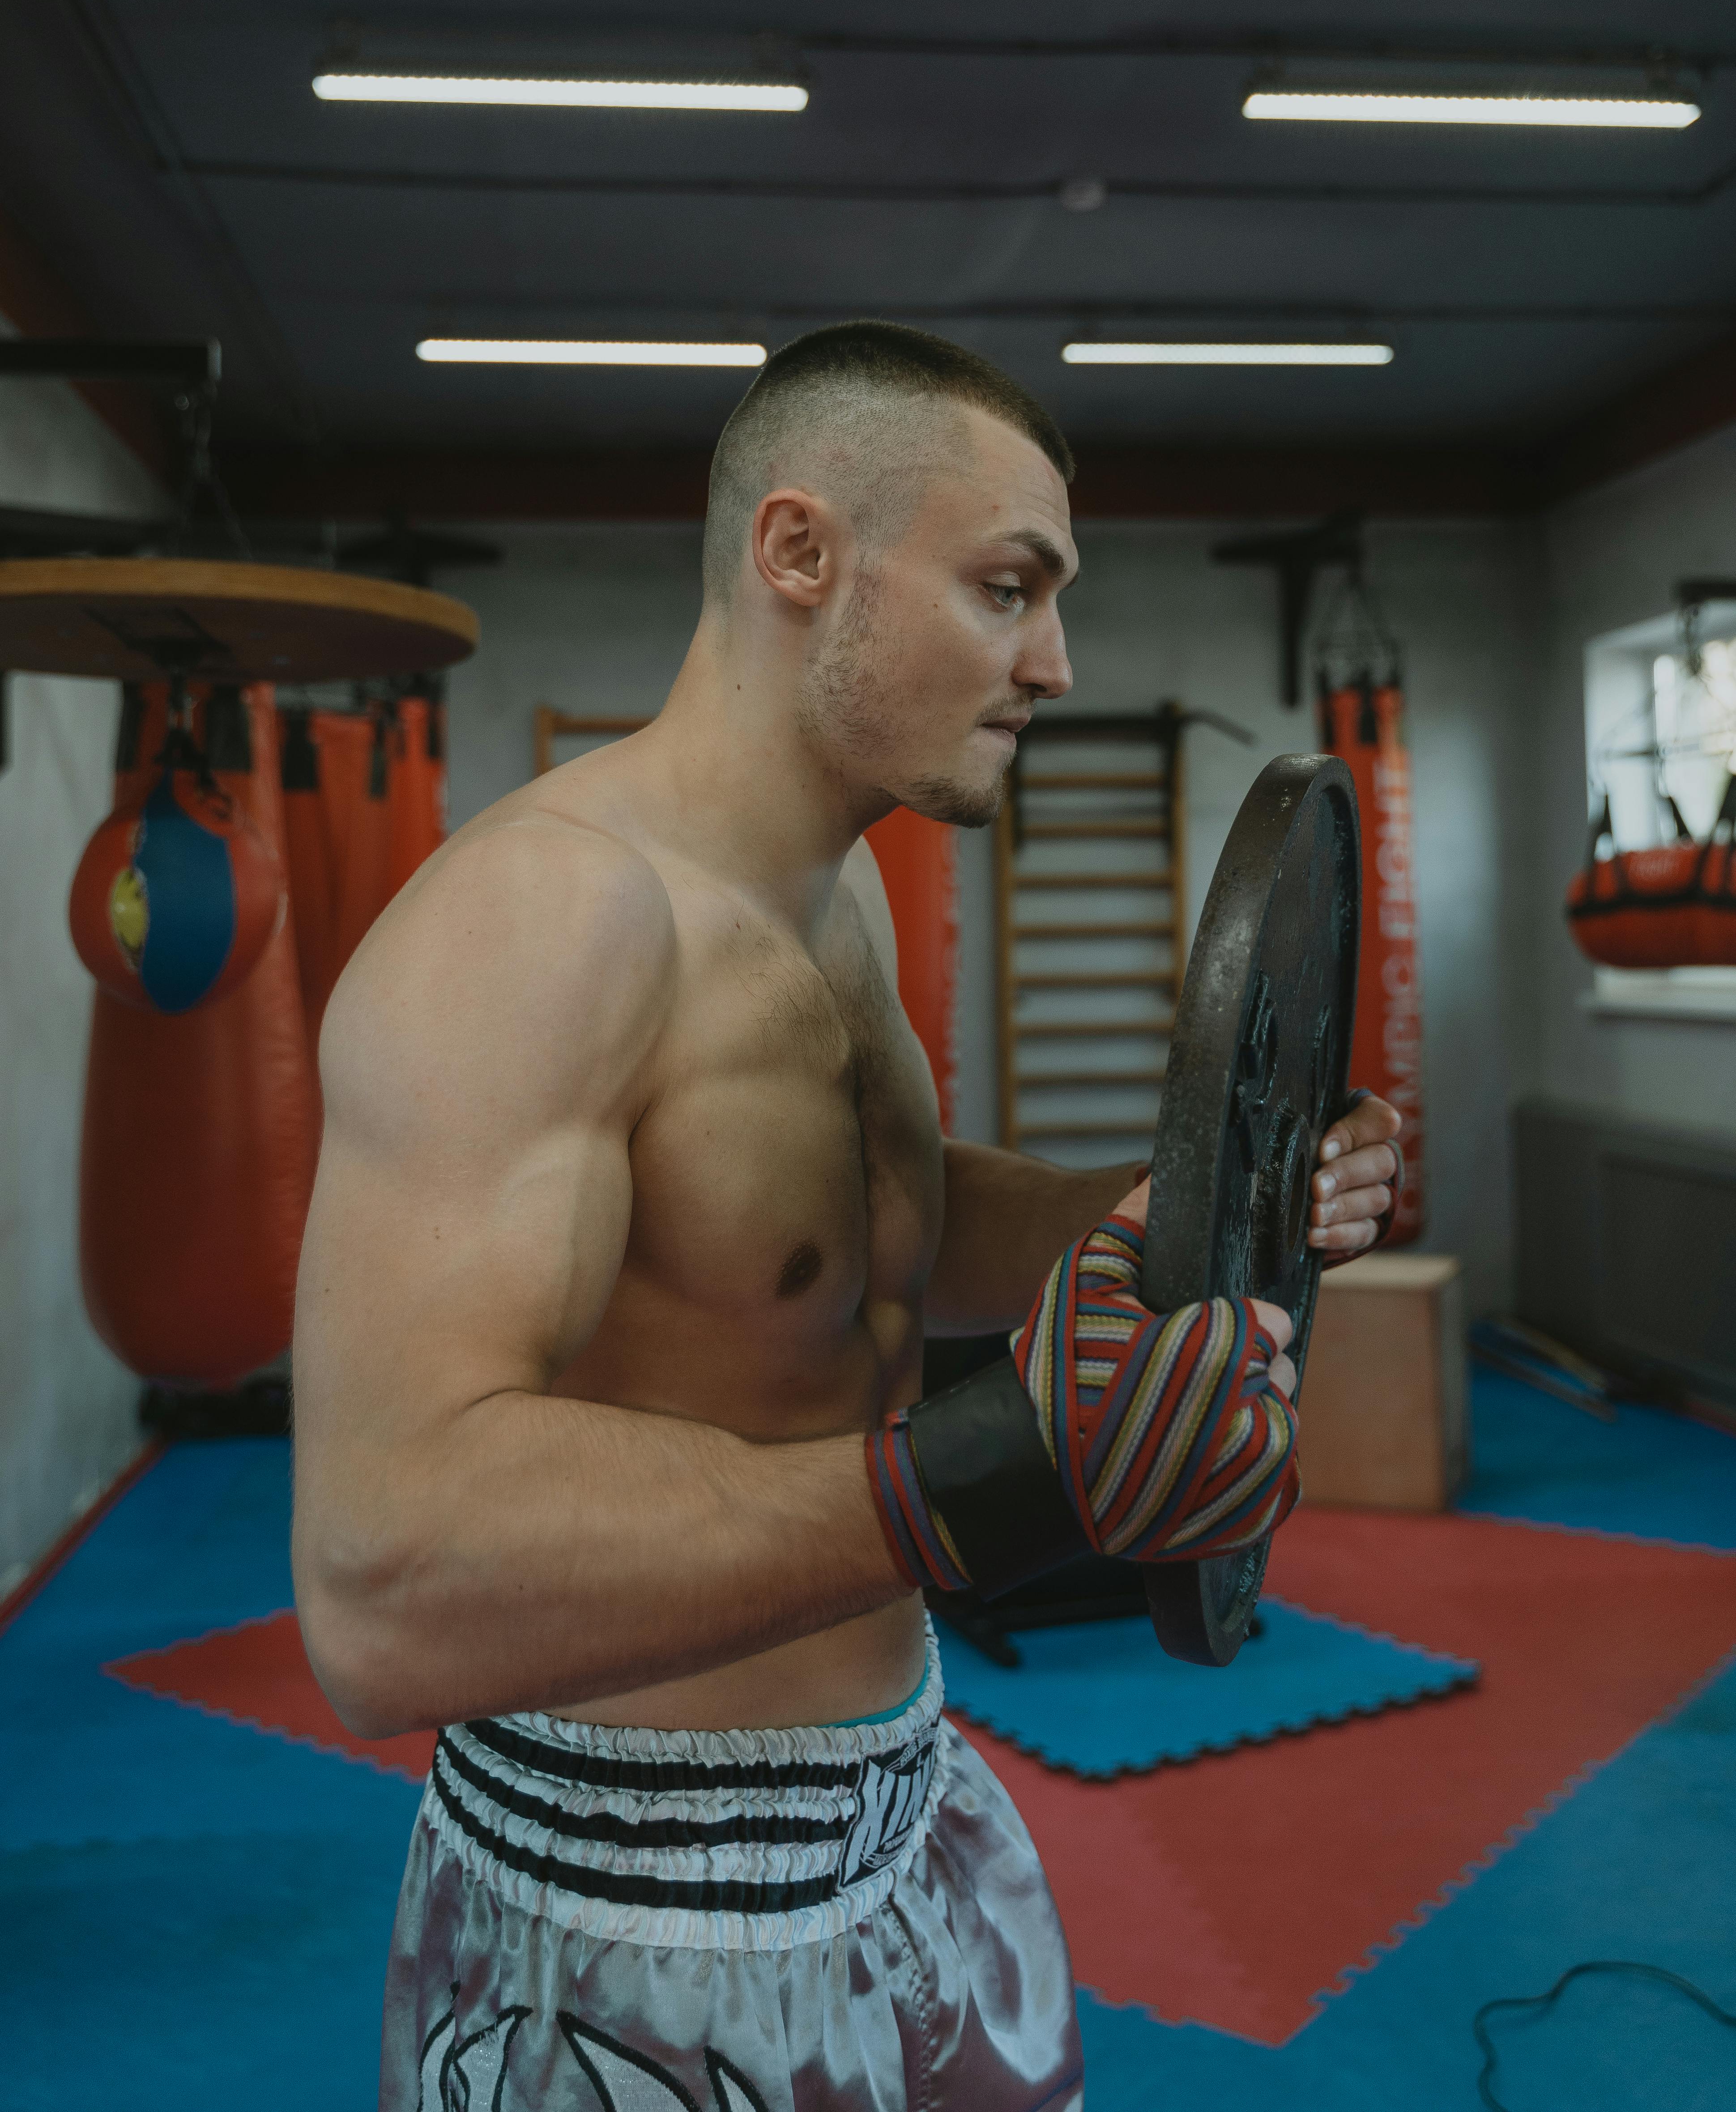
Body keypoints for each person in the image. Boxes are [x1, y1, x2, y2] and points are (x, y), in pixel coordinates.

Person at [291, 323, 1403, 2112]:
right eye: (1006, 588)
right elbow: (380, 1590)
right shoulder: (540, 931)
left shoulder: (833, 905)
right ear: (799, 554)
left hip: (901, 1798)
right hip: (634, 1892)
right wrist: (995, 1474)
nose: (1054, 662)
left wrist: (1198, 1209)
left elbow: (876, 1222)